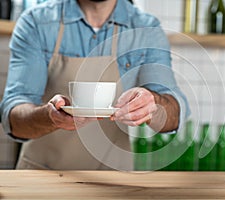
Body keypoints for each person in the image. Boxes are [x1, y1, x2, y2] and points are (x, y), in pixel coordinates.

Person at [0, 0, 189, 170]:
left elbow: (175, 113)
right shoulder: (36, 22)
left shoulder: (146, 29)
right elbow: (13, 116)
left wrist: (153, 105)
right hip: (42, 177)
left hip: (113, 182)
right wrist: (50, 117)